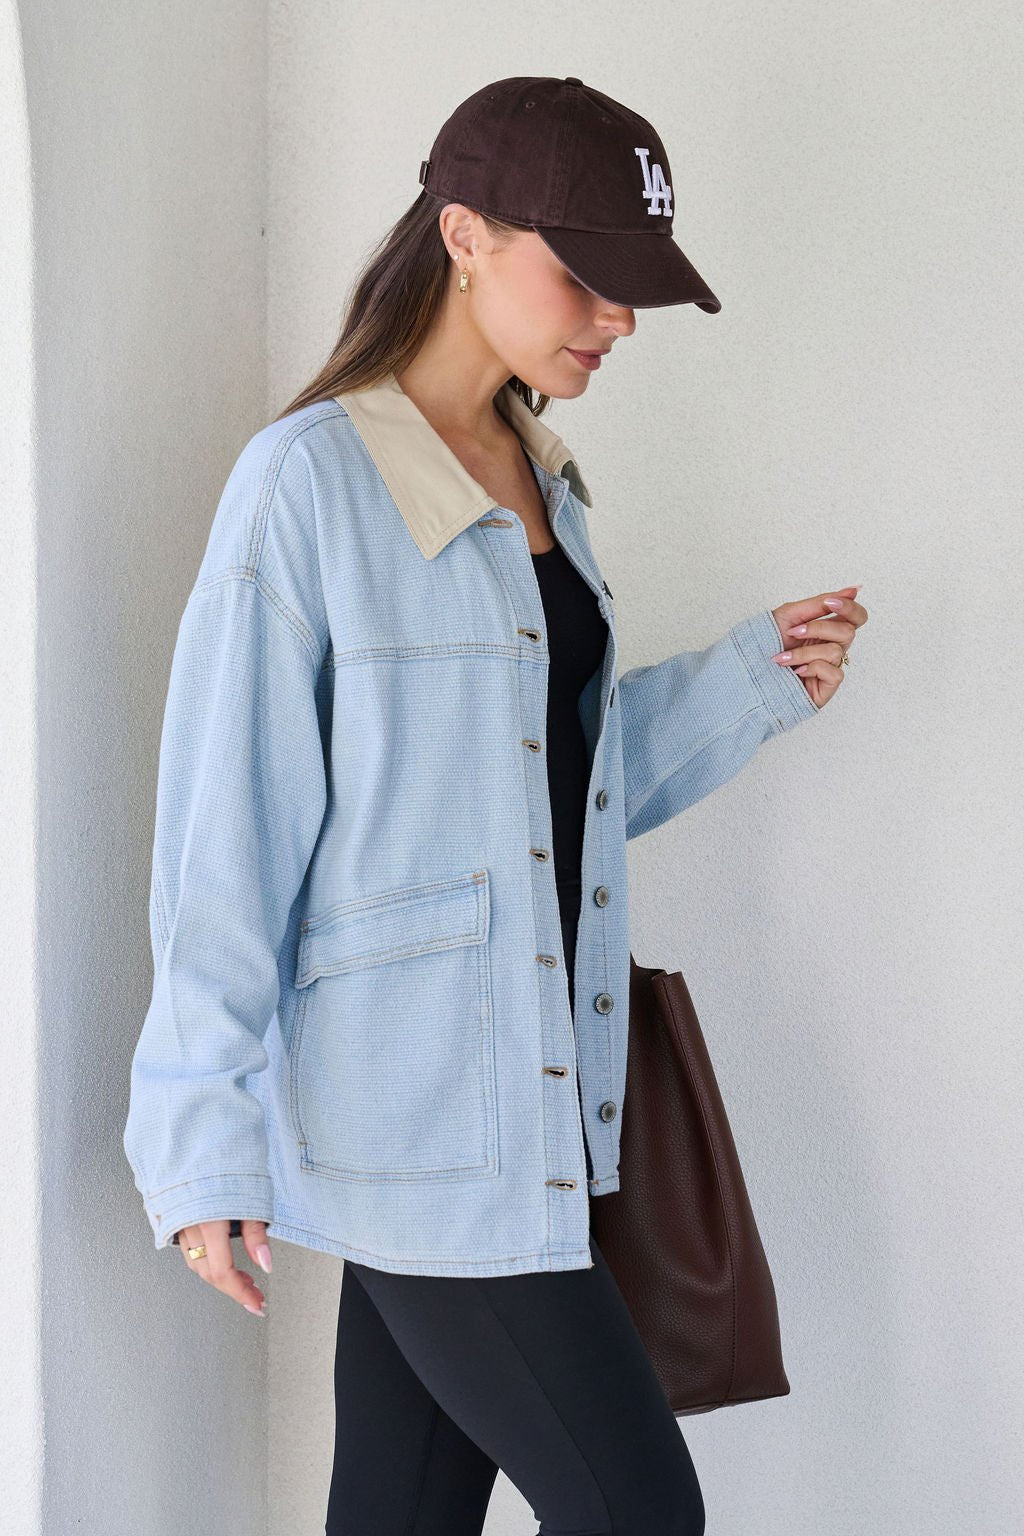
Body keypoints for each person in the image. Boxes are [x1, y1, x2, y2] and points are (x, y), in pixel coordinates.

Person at [123, 75, 865, 1533]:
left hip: (528, 1107)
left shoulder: (544, 481)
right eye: (584, 277)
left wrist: (749, 682)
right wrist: (199, 1136)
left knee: (399, 1516)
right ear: (463, 234)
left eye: (632, 288)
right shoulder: (308, 489)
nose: (617, 321)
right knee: (645, 1511)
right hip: (416, 1122)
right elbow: (227, 830)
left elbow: (551, 799)